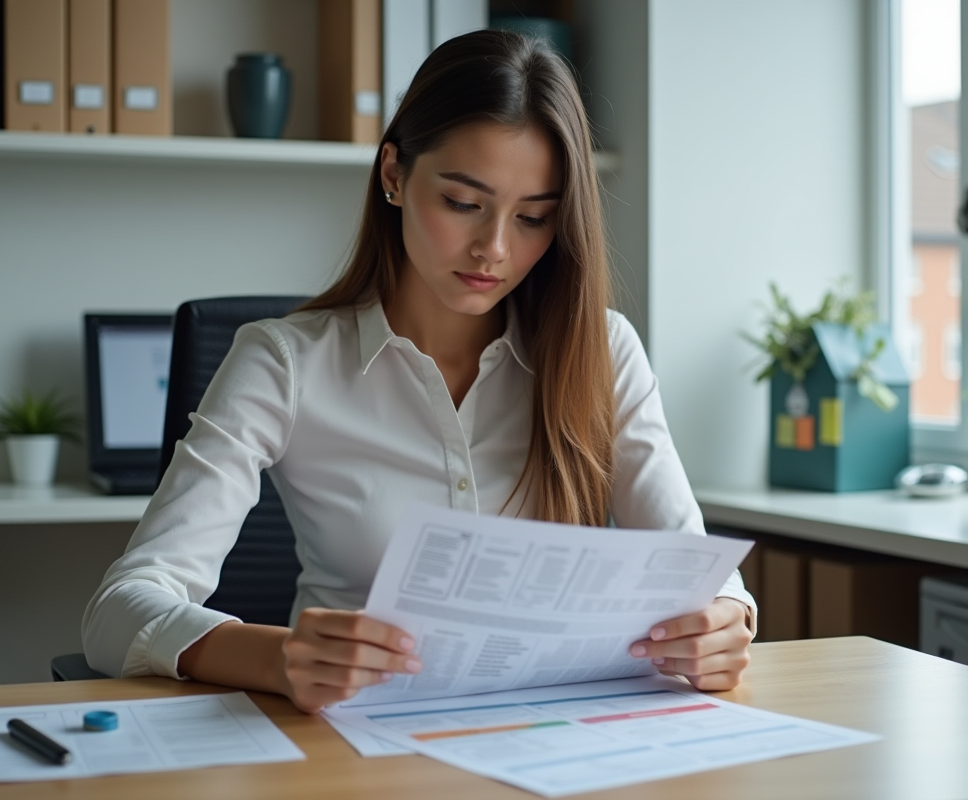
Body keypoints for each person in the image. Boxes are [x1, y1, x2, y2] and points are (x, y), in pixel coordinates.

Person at [82, 30, 756, 714]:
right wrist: (278, 657)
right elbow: (118, 613)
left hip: (559, 738)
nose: (493, 248)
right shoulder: (284, 362)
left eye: (533, 218)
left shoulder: (603, 352)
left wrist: (724, 622)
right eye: (463, 203)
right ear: (394, 175)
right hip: (352, 749)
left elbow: (698, 577)